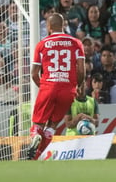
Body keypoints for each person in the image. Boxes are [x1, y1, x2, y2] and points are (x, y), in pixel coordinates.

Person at [28, 13, 85, 160]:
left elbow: (34, 74)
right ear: (63, 25)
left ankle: (35, 135)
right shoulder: (76, 43)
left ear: (48, 26)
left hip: (48, 86)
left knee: (38, 123)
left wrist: (44, 87)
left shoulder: (42, 44)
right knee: (52, 125)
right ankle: (38, 156)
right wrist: (78, 86)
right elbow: (81, 70)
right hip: (68, 89)